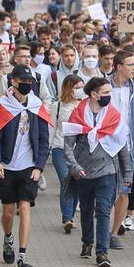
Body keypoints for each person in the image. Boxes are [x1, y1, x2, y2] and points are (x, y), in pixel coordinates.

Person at [62, 77, 132, 267]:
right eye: (106, 93)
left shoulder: (114, 116)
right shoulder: (78, 115)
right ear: (94, 94)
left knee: (102, 210)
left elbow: (122, 147)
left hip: (107, 171)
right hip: (84, 172)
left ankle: (102, 252)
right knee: (86, 209)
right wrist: (75, 167)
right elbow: (67, 146)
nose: (110, 96)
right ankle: (87, 241)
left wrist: (127, 175)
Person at [0, 65, 51, 267]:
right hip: (7, 166)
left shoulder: (36, 105)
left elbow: (43, 140)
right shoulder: (4, 106)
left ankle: (22, 256)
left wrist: (39, 167)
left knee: (24, 206)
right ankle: (8, 238)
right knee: (8, 212)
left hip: (28, 167)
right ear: (13, 82)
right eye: (23, 81)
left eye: (30, 81)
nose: (27, 85)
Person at [108, 51, 134, 249]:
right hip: (105, 147)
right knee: (106, 189)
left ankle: (114, 233)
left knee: (125, 189)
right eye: (131, 64)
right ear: (118, 67)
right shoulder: (104, 86)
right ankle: (100, 229)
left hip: (129, 147)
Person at [50, 74, 85, 233]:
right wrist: (46, 150)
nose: (80, 90)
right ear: (68, 88)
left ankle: (70, 216)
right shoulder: (57, 106)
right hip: (60, 147)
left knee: (76, 182)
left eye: (82, 87)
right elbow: (51, 128)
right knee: (65, 179)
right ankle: (67, 218)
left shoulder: (85, 106)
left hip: (79, 151)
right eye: (77, 87)